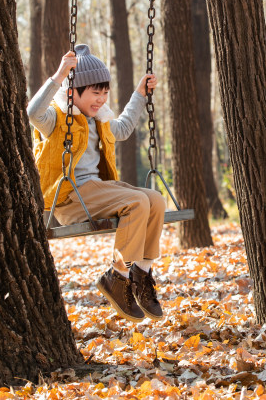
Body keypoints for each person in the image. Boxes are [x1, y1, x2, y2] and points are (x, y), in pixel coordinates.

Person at [28, 44, 166, 323]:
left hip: (96, 191)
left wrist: (139, 95)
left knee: (156, 200)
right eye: (94, 93)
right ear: (73, 91)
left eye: (105, 93)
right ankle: (117, 275)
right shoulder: (57, 118)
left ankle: (140, 272)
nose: (101, 100)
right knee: (137, 202)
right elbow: (33, 113)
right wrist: (58, 76)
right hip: (69, 197)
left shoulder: (99, 121)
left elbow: (124, 128)